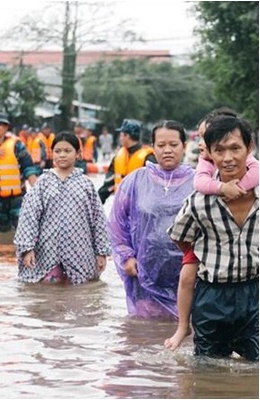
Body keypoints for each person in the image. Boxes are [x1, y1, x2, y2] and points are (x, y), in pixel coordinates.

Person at [165, 110, 259, 351]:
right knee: (208, 370)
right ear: (209, 154)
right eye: (219, 150)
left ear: (249, 148)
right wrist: (207, 253)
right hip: (212, 298)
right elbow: (180, 238)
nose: (228, 157)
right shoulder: (199, 202)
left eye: (235, 148)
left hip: (255, 293)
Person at [108, 120, 194, 319]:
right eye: (161, 145)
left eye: (173, 145)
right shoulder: (136, 180)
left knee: (184, 332)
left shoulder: (198, 182)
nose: (167, 150)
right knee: (144, 334)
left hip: (187, 274)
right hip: (144, 274)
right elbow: (117, 224)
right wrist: (126, 256)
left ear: (184, 146)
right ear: (152, 147)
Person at [14, 132, 111, 284]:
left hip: (80, 252)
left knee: (79, 295)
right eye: (58, 151)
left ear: (78, 154)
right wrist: (27, 248)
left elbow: (98, 220)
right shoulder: (44, 182)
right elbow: (29, 216)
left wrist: (101, 252)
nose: (62, 155)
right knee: (49, 295)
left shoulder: (86, 184)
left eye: (67, 151)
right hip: (47, 253)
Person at [98, 119, 156, 204]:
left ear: (127, 136)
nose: (120, 138)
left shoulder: (148, 158)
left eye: (121, 135)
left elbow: (156, 186)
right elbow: (108, 183)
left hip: (140, 208)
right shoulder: (118, 157)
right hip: (120, 207)